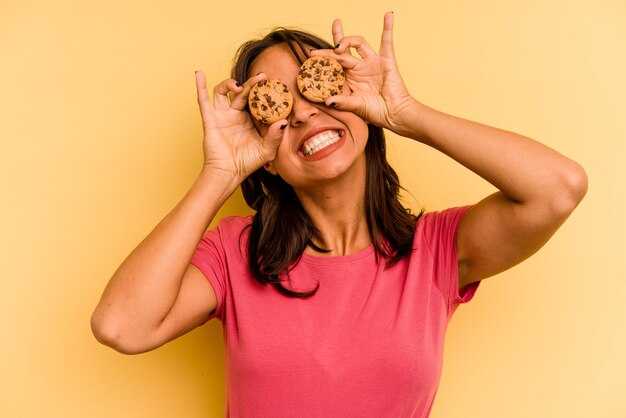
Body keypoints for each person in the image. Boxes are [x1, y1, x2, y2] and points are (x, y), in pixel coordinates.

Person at [91, 12, 587, 417]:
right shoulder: (235, 252)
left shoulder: (435, 250)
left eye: (317, 89)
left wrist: (405, 113)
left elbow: (558, 188)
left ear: (359, 102)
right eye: (279, 108)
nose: (304, 113)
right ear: (266, 153)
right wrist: (220, 173)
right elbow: (120, 326)